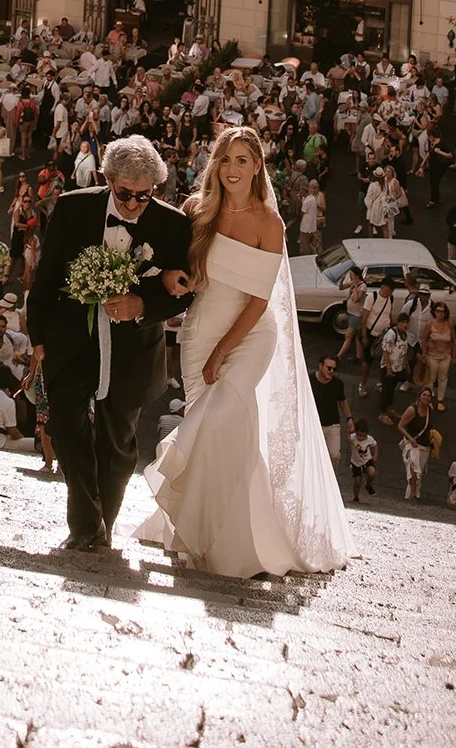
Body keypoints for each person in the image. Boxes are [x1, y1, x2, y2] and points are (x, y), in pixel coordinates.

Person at [137, 126, 355, 577]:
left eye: (242, 160)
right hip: (199, 332)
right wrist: (166, 280)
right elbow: (169, 264)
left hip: (250, 334)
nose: (232, 169)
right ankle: (214, 533)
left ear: (258, 166)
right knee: (224, 434)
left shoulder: (268, 223)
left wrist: (222, 353)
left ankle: (230, 543)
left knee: (217, 420)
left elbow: (258, 301)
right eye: (225, 159)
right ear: (215, 164)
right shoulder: (197, 209)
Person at [26, 134, 193, 554]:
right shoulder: (72, 207)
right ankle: (84, 524)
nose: (135, 204)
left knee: (118, 442)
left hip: (133, 347)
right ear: (108, 178)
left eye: (145, 195)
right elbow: (45, 276)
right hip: (69, 339)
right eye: (125, 194)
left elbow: (187, 290)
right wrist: (37, 338)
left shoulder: (173, 224)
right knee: (65, 425)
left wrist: (142, 303)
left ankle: (104, 522)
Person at [310, 351, 354, 468]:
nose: (331, 371)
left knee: (334, 455)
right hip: (314, 425)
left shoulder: (338, 384)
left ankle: (330, 480)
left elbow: (342, 400)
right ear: (320, 366)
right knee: (313, 455)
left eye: (334, 369)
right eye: (329, 368)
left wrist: (349, 418)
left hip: (332, 424)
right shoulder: (310, 381)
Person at [396, 385, 436, 501]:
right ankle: (412, 494)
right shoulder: (412, 410)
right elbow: (400, 426)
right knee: (413, 471)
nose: (426, 397)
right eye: (424, 395)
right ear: (419, 396)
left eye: (429, 396)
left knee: (419, 473)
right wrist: (410, 438)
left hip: (425, 446)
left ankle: (413, 494)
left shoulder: (429, 410)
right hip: (412, 444)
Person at [347, 421, 378, 502]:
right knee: (357, 481)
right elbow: (348, 440)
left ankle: (368, 484)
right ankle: (356, 497)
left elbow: (374, 445)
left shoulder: (369, 439)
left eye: (364, 436)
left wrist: (375, 455)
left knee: (372, 472)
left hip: (367, 460)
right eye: (359, 435)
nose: (361, 437)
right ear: (356, 433)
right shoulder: (353, 437)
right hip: (356, 462)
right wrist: (348, 432)